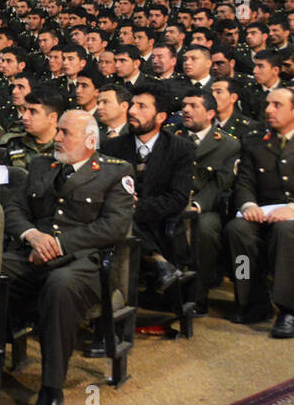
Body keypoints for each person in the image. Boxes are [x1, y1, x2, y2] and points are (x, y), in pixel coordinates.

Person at [2, 110, 135, 405]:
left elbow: (114, 226)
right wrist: (32, 236)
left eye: (65, 133)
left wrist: (58, 246)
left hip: (85, 263)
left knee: (60, 285)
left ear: (90, 141)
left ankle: (52, 387)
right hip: (33, 252)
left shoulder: (116, 171)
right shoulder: (41, 166)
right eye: (58, 131)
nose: (57, 138)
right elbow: (15, 210)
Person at [104, 88, 195, 293]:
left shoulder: (180, 148)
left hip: (160, 224)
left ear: (161, 117)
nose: (132, 111)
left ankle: (155, 260)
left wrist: (135, 206)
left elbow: (178, 198)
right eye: (132, 105)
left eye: (141, 106)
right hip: (117, 222)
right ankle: (156, 261)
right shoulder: (112, 147)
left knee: (120, 217)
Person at [223, 87, 294, 337]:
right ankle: (251, 300)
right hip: (263, 212)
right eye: (267, 104)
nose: (268, 110)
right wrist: (248, 205)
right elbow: (244, 182)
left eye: (277, 105)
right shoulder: (256, 142)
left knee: (286, 230)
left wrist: (292, 209)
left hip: (290, 216)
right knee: (237, 229)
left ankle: (288, 308)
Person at [177, 88, 240, 315]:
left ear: (210, 113)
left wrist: (195, 206)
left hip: (205, 208)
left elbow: (219, 185)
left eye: (194, 106)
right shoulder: (173, 137)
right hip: (173, 203)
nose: (186, 110)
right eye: (184, 105)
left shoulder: (227, 144)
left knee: (204, 228)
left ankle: (197, 298)